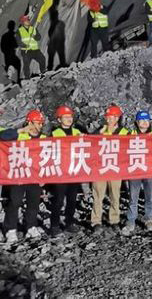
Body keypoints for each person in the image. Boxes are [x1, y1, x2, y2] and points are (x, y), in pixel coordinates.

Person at [3, 110, 46, 244]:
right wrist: (21, 130)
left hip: (35, 176)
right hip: (19, 175)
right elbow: (2, 136)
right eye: (36, 123)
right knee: (15, 202)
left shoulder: (44, 138)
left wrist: (44, 176)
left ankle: (30, 227)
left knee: (33, 202)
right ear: (29, 122)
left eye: (41, 124)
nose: (38, 126)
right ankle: (10, 229)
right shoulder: (19, 135)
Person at [91, 105, 129, 232]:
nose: (108, 120)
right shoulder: (100, 130)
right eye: (107, 117)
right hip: (100, 169)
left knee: (115, 195)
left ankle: (114, 220)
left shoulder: (124, 132)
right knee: (98, 195)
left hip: (115, 168)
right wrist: (98, 134)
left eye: (111, 117)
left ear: (117, 118)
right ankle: (96, 221)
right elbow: (90, 144)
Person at [123, 111, 152, 235]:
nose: (145, 123)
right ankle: (131, 220)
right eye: (142, 120)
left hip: (149, 169)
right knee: (133, 197)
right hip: (135, 170)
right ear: (137, 122)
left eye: (147, 120)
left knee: (149, 197)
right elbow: (124, 151)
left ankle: (149, 219)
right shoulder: (130, 134)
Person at [49, 106, 82, 236]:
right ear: (59, 119)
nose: (69, 119)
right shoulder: (54, 134)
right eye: (66, 117)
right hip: (61, 172)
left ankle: (69, 223)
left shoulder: (77, 132)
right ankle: (54, 225)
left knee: (72, 199)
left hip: (74, 171)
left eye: (70, 117)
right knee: (58, 199)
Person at [1, 20, 21, 84]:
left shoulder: (4, 36)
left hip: (6, 57)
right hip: (12, 56)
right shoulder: (13, 35)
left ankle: (10, 81)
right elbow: (16, 45)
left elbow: (2, 48)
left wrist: (6, 52)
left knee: (10, 68)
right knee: (18, 64)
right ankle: (17, 80)